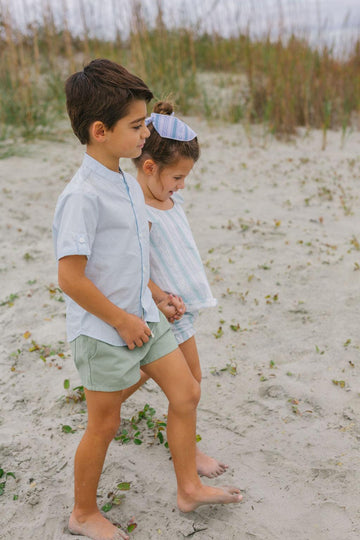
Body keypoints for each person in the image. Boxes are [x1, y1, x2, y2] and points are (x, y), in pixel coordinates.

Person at [52, 59, 242, 540]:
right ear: (100, 130)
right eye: (136, 126)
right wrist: (120, 320)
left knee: (187, 391)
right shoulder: (81, 196)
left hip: (143, 315)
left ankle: (188, 487)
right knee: (105, 423)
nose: (145, 134)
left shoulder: (124, 181)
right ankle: (83, 512)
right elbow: (70, 279)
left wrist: (158, 295)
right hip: (104, 329)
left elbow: (133, 255)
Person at [121, 101, 228, 479]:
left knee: (153, 371)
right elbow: (132, 265)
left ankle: (106, 402)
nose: (182, 185)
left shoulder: (168, 197)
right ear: (149, 167)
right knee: (190, 383)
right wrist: (159, 297)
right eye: (178, 177)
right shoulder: (138, 209)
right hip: (169, 308)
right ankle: (190, 452)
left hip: (184, 302)